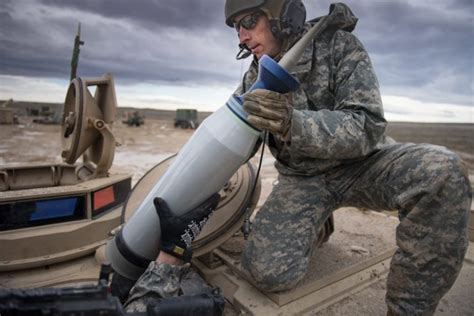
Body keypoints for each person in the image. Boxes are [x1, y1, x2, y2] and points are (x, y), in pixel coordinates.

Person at [125, 1, 472, 315]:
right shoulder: (254, 76)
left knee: (442, 171)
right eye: (236, 29)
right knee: (267, 273)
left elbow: (367, 127)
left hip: (364, 165)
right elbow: (232, 136)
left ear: (281, 16)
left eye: (248, 21)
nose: (242, 37)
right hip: (304, 180)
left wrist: (293, 124)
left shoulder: (339, 47)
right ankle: (317, 222)